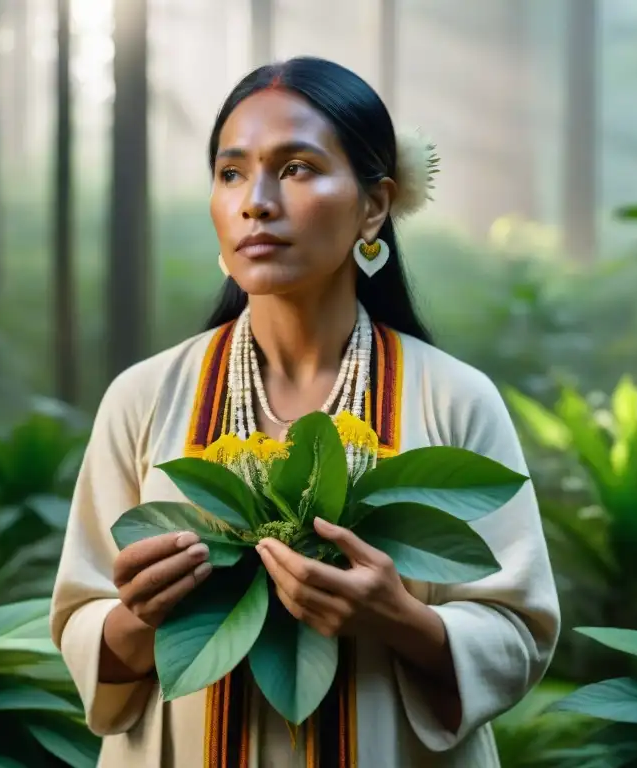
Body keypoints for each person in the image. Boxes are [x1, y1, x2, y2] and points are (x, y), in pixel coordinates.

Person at [50, 56, 560, 767]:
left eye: (295, 168)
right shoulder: (143, 397)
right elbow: (82, 621)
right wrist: (137, 619)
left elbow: (518, 632)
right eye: (231, 173)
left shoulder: (454, 399)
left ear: (374, 205)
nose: (256, 200)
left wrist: (399, 618)